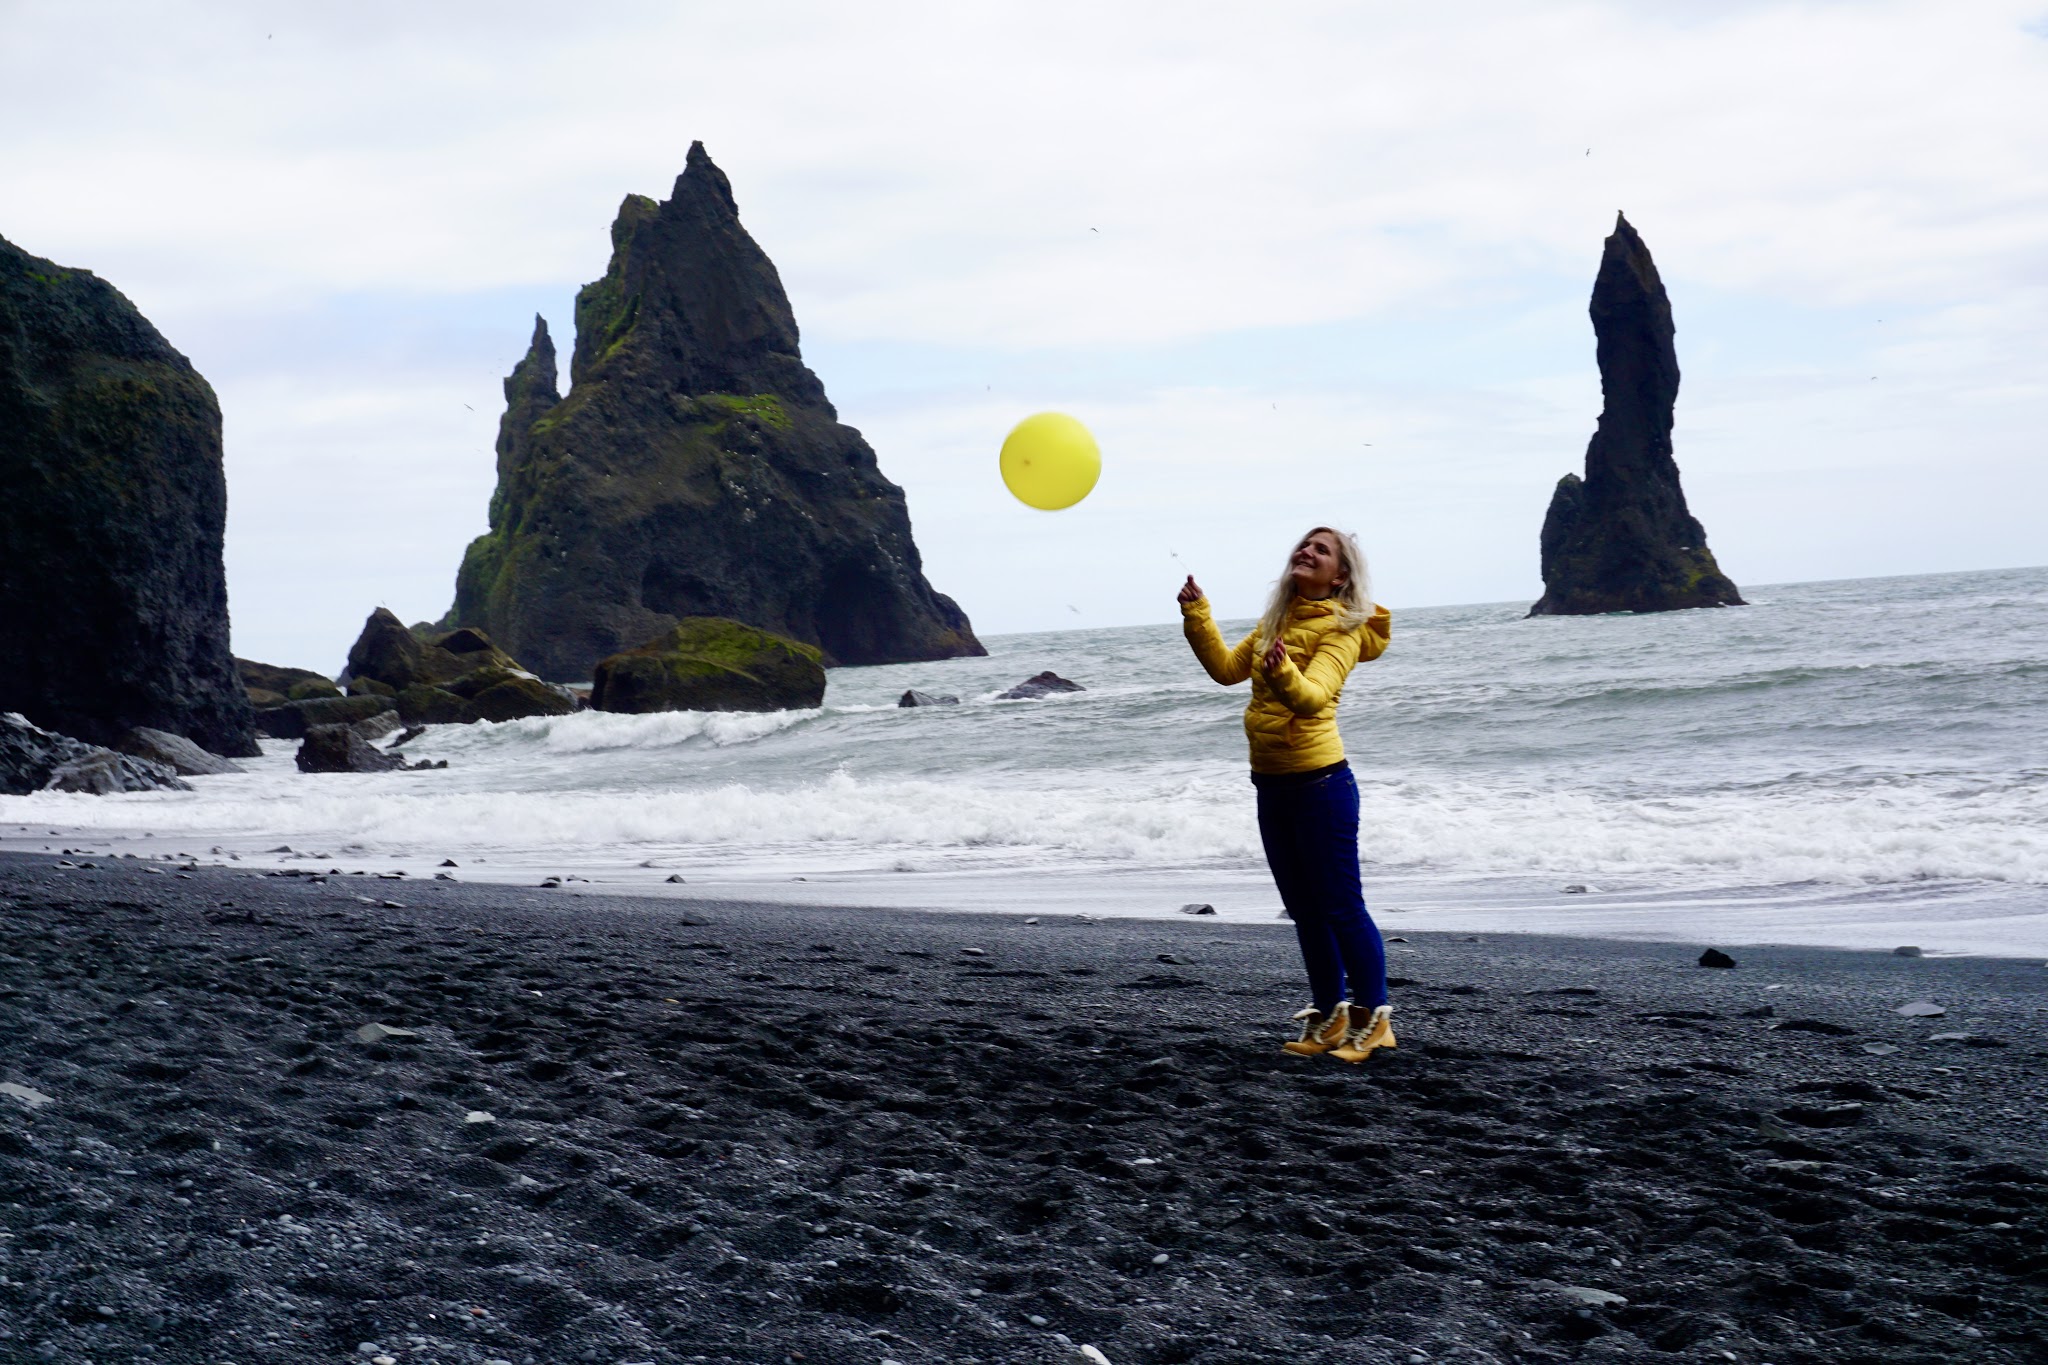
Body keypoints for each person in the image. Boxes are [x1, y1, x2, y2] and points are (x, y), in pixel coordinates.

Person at [1177, 527, 1395, 1062]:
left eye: (1322, 550)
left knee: (1342, 906)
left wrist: (1284, 674)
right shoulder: (1275, 623)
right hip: (1270, 785)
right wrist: (1198, 615)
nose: (1307, 552)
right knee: (1304, 910)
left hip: (1320, 785)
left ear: (1339, 575)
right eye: (1304, 545)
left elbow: (1313, 697)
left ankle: (1374, 1017)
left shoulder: (1344, 630)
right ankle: (1329, 1014)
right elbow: (1226, 671)